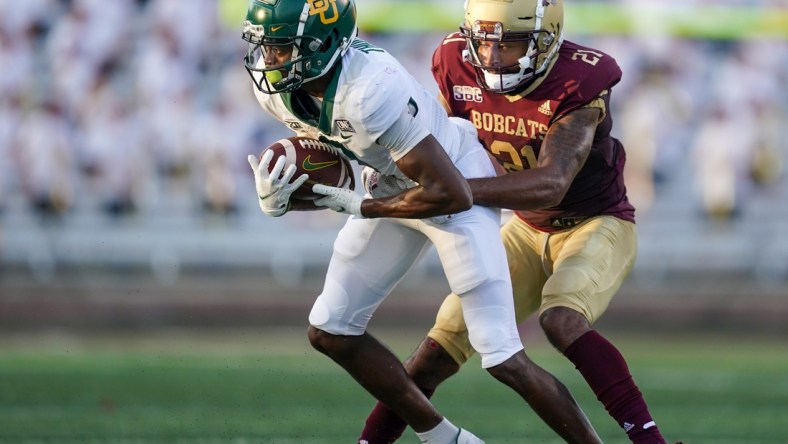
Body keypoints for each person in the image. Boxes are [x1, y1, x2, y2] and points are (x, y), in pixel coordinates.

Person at [241, 1, 601, 443]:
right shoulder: (276, 91)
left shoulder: (370, 87)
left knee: (502, 357)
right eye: (266, 47)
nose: (269, 60)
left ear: (323, 45)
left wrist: (364, 207)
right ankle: (443, 437)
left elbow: (451, 192)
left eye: (280, 48)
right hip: (388, 184)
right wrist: (285, 195)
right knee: (331, 329)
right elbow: (344, 157)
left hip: (452, 187)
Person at [359, 0, 671, 443]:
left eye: (510, 44)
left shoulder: (581, 78)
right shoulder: (453, 61)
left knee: (561, 321)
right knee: (436, 349)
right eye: (483, 42)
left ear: (547, 39)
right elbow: (451, 144)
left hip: (595, 222)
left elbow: (551, 183)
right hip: (525, 228)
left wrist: (455, 191)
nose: (491, 57)